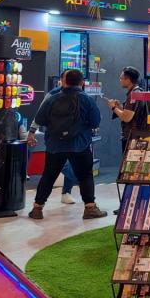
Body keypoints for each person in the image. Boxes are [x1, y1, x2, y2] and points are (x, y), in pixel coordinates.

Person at [28, 69, 107, 220]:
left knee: (49, 175)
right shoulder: (87, 99)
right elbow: (95, 122)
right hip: (79, 144)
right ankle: (90, 208)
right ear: (82, 82)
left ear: (64, 81)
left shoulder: (52, 98)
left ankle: (37, 208)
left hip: (55, 145)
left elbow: (40, 119)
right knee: (85, 175)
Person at [28, 72, 80, 204]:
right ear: (62, 80)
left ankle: (66, 192)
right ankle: (39, 202)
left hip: (73, 137)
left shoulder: (80, 95)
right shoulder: (52, 95)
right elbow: (40, 114)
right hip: (54, 138)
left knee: (70, 164)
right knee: (59, 168)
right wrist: (32, 131)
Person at [107, 66, 148, 157]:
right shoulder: (138, 91)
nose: (120, 80)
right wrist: (120, 107)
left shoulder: (133, 94)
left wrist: (113, 107)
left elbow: (126, 118)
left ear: (128, 80)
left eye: (121, 78)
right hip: (137, 135)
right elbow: (131, 114)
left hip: (131, 137)